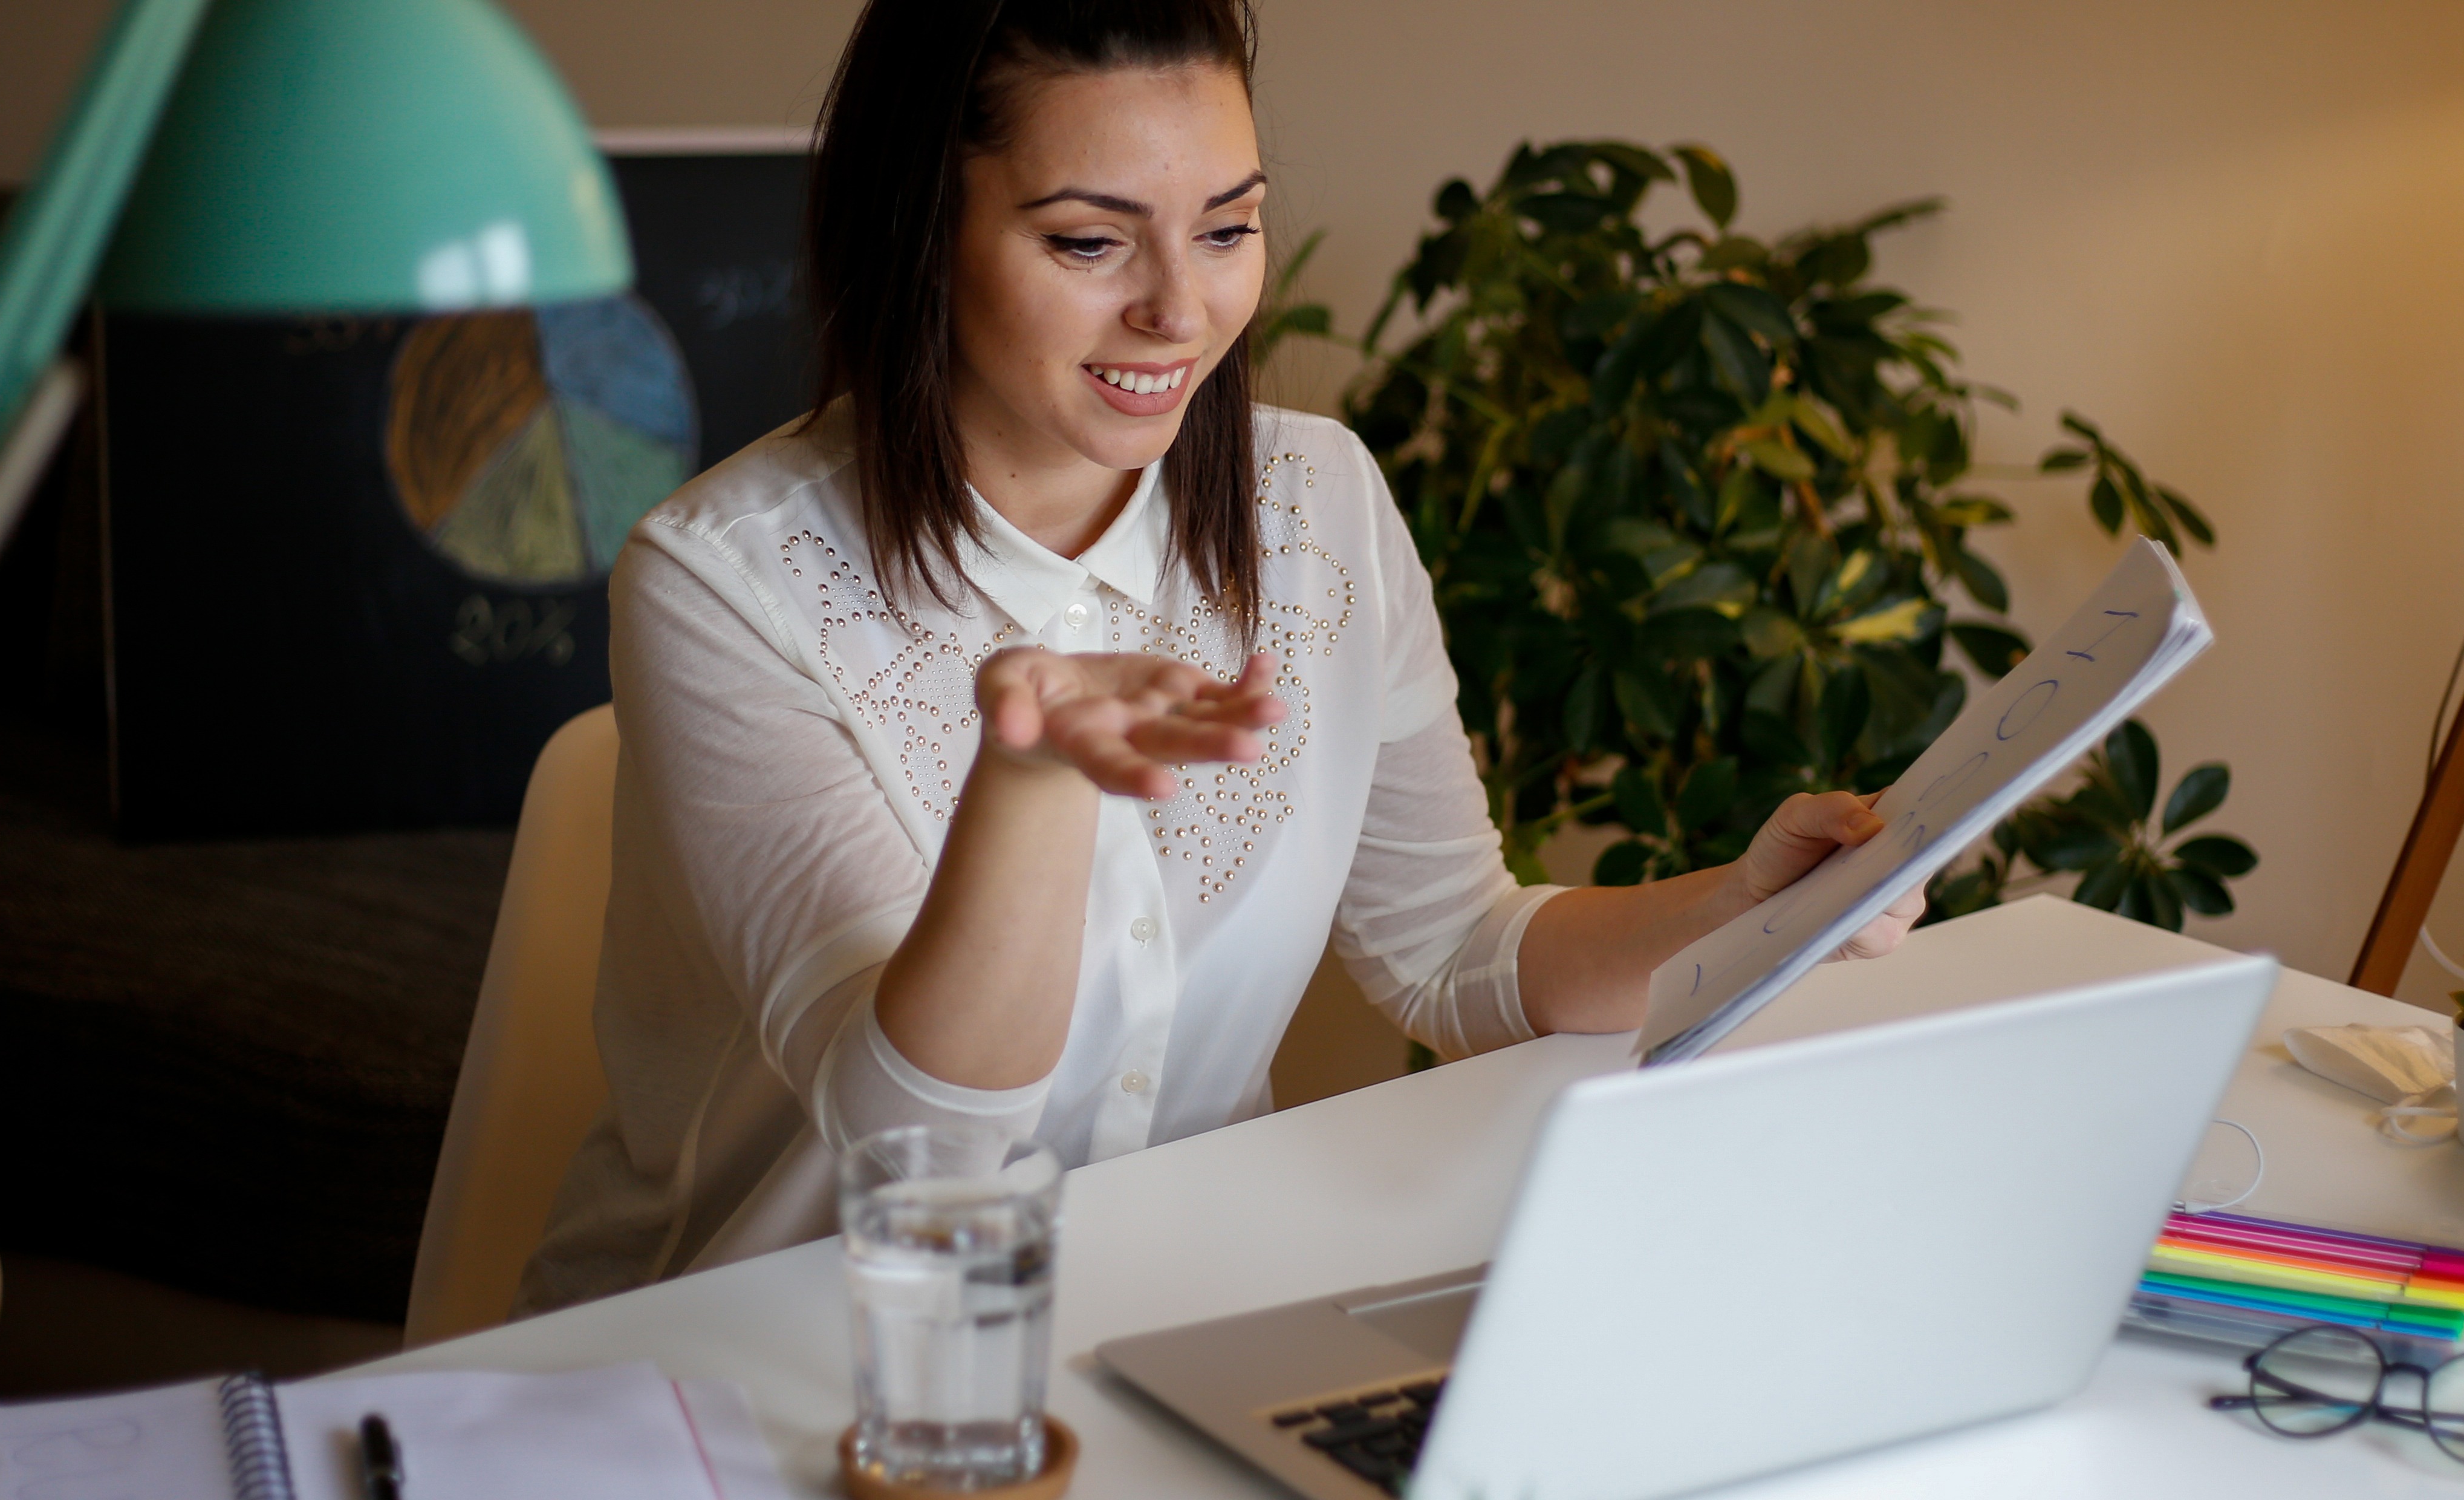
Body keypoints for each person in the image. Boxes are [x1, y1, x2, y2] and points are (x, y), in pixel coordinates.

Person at [516, 0, 1922, 1312]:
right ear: (920, 230)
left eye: (1228, 227)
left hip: (1162, 1317)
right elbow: (921, 1149)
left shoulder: (1317, 505)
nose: (1179, 312)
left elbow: (1455, 949)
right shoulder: (724, 581)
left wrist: (1750, 905)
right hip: (766, 1350)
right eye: (1089, 242)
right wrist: (1035, 788)